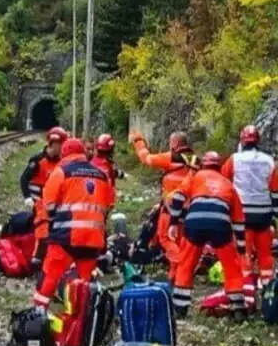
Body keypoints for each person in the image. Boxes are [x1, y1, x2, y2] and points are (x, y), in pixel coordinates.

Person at [31, 138, 115, 310]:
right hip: (93, 240)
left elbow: (49, 205)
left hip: (65, 237)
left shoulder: (61, 171)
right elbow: (109, 205)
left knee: (50, 277)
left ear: (64, 153)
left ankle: (38, 313)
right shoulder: (102, 174)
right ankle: (80, 322)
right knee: (83, 285)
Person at [168, 151, 249, 321]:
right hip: (220, 224)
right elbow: (239, 220)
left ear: (204, 164)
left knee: (186, 265)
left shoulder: (196, 176)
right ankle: (238, 308)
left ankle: (180, 309)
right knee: (231, 267)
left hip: (194, 222)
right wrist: (241, 246)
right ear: (219, 167)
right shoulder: (228, 185)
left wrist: (174, 222)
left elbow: (177, 197)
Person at [129, 130, 198, 281]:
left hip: (171, 209)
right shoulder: (196, 160)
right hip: (189, 210)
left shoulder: (171, 157)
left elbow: (146, 158)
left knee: (166, 239)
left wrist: (138, 141)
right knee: (180, 241)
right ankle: (176, 277)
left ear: (174, 144)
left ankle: (182, 264)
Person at [221, 125, 278, 281]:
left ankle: (247, 286)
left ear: (242, 141)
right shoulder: (269, 161)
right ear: (257, 141)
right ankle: (268, 285)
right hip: (263, 213)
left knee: (244, 251)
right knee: (265, 253)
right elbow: (275, 191)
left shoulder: (234, 159)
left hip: (242, 213)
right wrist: (276, 213)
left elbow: (224, 183)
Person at [20, 127, 68, 267]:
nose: (63, 148)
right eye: (61, 145)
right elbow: (24, 179)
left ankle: (56, 255)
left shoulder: (62, 162)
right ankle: (37, 258)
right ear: (53, 144)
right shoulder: (37, 160)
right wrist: (27, 197)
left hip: (55, 202)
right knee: (43, 227)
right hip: (39, 201)